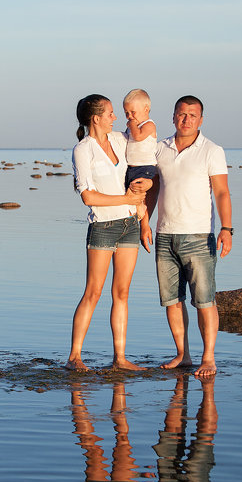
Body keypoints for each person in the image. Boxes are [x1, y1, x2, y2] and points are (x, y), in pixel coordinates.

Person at [146, 95, 233, 377]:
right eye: (181, 115)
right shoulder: (159, 149)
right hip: (164, 235)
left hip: (199, 236)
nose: (186, 120)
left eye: (192, 116)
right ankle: (183, 355)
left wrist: (226, 229)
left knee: (204, 300)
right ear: (173, 116)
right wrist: (144, 223)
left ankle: (208, 358)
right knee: (172, 300)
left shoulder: (212, 150)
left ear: (201, 120)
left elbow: (221, 191)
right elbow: (152, 190)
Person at [67, 94, 147, 371]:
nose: (116, 117)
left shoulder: (119, 140)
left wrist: (138, 115)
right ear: (96, 118)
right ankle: (75, 357)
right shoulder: (83, 149)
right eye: (111, 113)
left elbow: (145, 145)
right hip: (102, 227)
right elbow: (88, 197)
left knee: (122, 293)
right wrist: (126, 199)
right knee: (93, 292)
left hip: (130, 225)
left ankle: (120, 358)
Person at [122, 88, 159, 192]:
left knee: (137, 194)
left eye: (133, 112)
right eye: (126, 113)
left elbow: (138, 137)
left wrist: (132, 125)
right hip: (131, 168)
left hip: (144, 168)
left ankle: (141, 208)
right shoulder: (131, 128)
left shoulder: (149, 125)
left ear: (146, 109)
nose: (129, 116)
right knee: (128, 193)